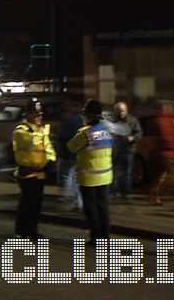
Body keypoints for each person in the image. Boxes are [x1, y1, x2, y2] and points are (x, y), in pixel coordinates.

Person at [67, 99, 113, 244]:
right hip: (105, 176)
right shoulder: (106, 131)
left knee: (91, 209)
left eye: (84, 115)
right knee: (103, 208)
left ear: (89, 116)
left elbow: (71, 147)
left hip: (89, 178)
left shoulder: (85, 134)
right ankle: (105, 238)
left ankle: (95, 238)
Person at [12, 99, 56, 240]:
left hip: (40, 173)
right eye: (36, 114)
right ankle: (22, 231)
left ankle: (32, 231)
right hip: (27, 172)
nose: (40, 116)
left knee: (36, 205)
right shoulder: (21, 130)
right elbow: (32, 142)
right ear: (29, 114)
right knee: (27, 204)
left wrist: (51, 161)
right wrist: (43, 132)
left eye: (41, 114)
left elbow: (49, 148)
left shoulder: (40, 130)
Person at [109, 101, 142, 200]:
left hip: (128, 150)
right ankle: (113, 192)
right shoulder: (112, 121)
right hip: (115, 151)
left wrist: (133, 138)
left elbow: (139, 133)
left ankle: (126, 193)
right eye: (119, 111)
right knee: (114, 172)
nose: (121, 113)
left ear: (126, 110)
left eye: (123, 111)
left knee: (127, 173)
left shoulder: (132, 120)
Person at [56, 101, 84, 211]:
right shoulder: (81, 118)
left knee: (69, 176)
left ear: (65, 112)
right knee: (77, 178)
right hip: (81, 153)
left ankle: (69, 198)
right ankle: (79, 202)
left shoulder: (68, 121)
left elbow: (62, 136)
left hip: (69, 153)